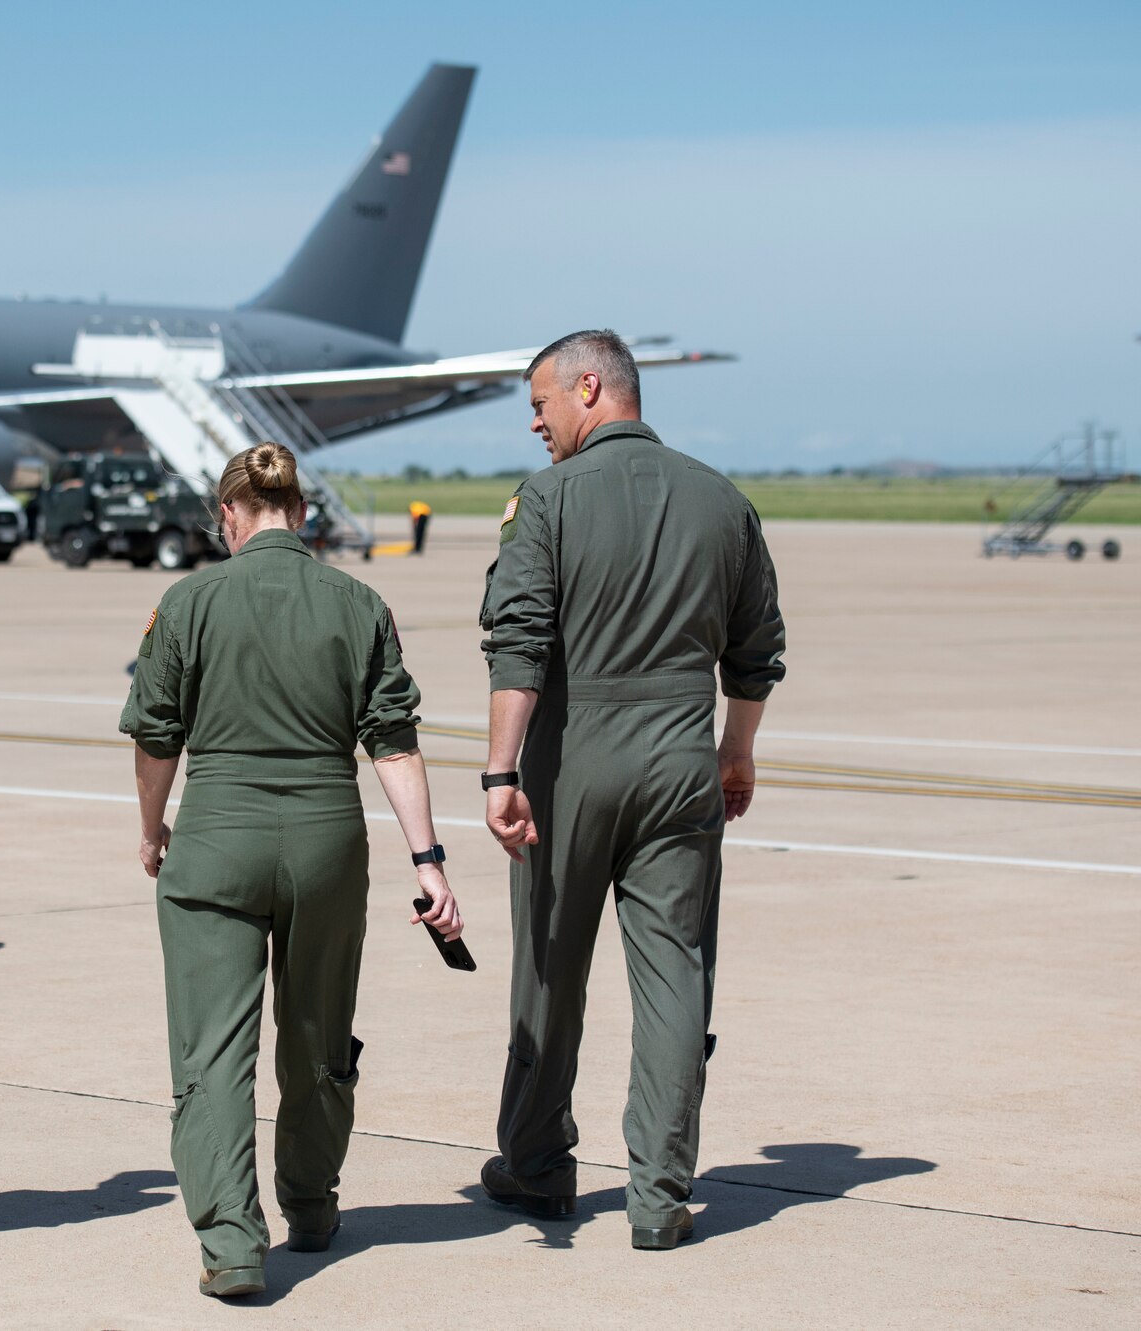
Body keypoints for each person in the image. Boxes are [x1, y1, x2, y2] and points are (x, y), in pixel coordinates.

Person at [121, 440, 462, 1300]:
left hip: (215, 841)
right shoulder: (358, 602)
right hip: (326, 843)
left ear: (229, 516)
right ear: (301, 514)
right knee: (315, 1032)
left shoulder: (188, 600)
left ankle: (233, 1242)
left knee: (213, 1047)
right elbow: (393, 740)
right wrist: (429, 860)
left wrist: (152, 827)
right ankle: (310, 1203)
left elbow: (156, 735)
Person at [477, 330, 786, 1250]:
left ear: (589, 386)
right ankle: (658, 1192)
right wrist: (736, 754)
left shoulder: (548, 499)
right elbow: (757, 651)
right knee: (675, 973)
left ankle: (536, 1167)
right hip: (682, 760)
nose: (535, 421)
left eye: (540, 402)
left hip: (574, 762)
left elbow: (518, 641)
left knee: (548, 968)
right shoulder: (722, 500)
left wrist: (501, 769)